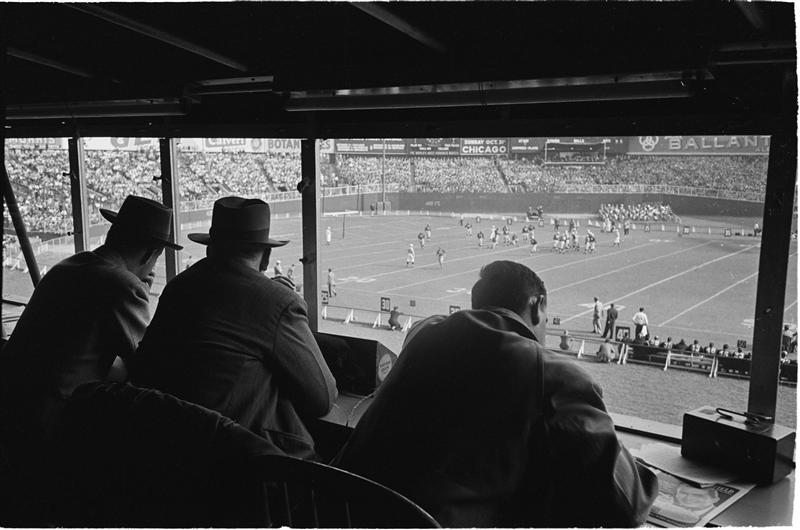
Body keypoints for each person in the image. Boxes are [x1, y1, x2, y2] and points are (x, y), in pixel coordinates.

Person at [335, 261, 657, 527]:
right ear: (537, 306)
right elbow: (629, 503)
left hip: (341, 512)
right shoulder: (553, 372)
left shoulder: (423, 336)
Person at [130, 197, 337, 459]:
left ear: (210, 248)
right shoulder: (277, 302)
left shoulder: (178, 288)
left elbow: (142, 371)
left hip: (171, 452)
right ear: (266, 257)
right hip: (244, 466)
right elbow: (322, 399)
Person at [0, 196, 180, 450]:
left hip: (12, 405)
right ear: (150, 253)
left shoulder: (68, 266)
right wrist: (141, 292)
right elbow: (147, 366)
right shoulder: (121, 285)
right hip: (49, 422)